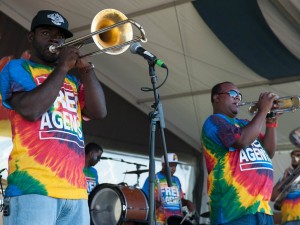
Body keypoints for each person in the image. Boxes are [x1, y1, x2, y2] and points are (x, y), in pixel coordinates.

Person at [0, 10, 107, 225]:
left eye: (59, 36)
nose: (54, 39)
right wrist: (63, 67)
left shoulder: (72, 82)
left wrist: (87, 69)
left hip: (76, 192)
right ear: (31, 37)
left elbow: (99, 112)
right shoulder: (17, 68)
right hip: (32, 189)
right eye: (46, 32)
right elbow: (31, 110)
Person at [201, 81, 279, 225]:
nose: (237, 98)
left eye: (239, 95)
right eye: (232, 94)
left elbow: (268, 152)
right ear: (216, 98)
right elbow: (241, 140)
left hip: (262, 210)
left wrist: (271, 120)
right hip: (234, 213)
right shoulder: (214, 122)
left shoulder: (245, 124)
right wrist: (262, 111)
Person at [142, 153, 196, 225]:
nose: (173, 168)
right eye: (171, 165)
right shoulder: (153, 179)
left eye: (175, 165)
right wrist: (153, 203)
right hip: (158, 221)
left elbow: (178, 201)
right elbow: (143, 200)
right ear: (163, 164)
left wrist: (187, 203)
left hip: (175, 221)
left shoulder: (176, 180)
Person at [271, 149, 300, 225]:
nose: (294, 158)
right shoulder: (285, 176)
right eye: (292, 156)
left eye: (298, 155)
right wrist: (284, 180)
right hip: (287, 219)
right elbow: (272, 197)